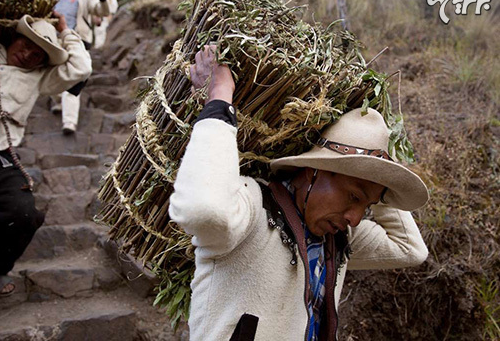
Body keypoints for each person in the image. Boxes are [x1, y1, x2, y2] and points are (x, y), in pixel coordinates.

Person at [169, 45, 430, 341]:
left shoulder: (338, 238)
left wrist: (380, 174)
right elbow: (203, 208)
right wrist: (219, 100)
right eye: (354, 197)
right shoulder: (253, 210)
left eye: (367, 207)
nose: (356, 219)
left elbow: (410, 249)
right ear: (313, 169)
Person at [0, 14, 92, 336]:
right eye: (26, 45)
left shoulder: (40, 78)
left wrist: (66, 31)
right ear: (13, 38)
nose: (28, 55)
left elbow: (81, 67)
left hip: (0, 158)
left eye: (38, 54)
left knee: (25, 215)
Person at [51, 0, 110, 134]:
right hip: (55, 42)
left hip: (77, 41)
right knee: (56, 73)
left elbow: (103, 11)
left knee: (75, 79)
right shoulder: (53, 0)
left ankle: (69, 122)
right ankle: (57, 100)